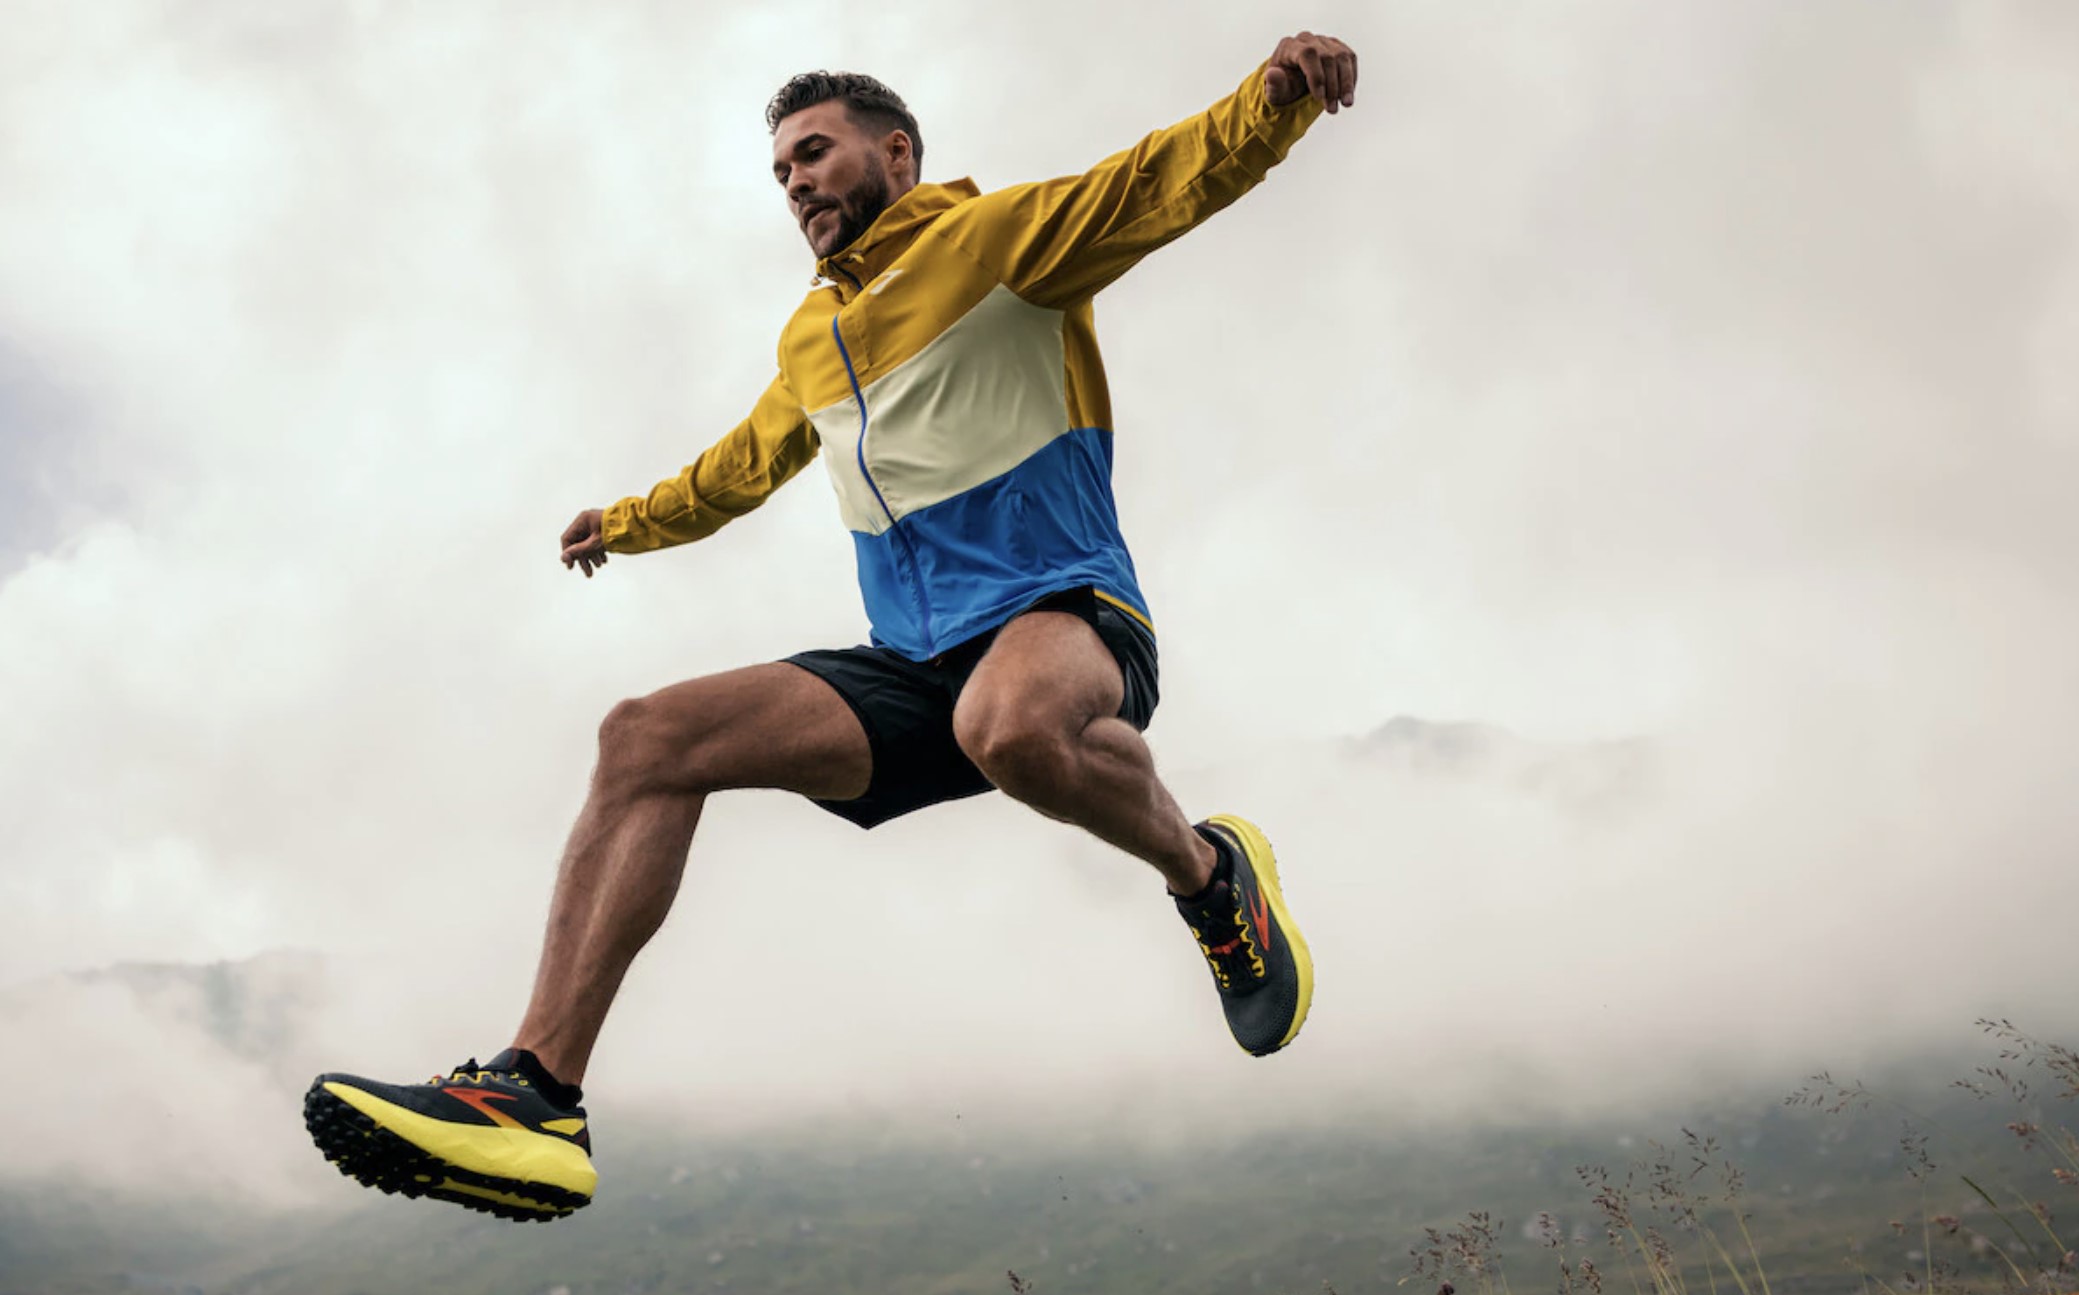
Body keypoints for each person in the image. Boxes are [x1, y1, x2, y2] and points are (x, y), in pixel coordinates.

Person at [303, 31, 1359, 1222]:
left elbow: (1154, 183)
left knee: (1008, 723)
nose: (796, 182)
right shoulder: (813, 338)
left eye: (815, 153)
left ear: (894, 152)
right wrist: (629, 523)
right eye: (781, 173)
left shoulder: (994, 242)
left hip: (1063, 614)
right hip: (910, 661)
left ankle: (1213, 881)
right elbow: (743, 465)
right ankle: (535, 1094)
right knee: (644, 737)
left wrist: (1269, 103)